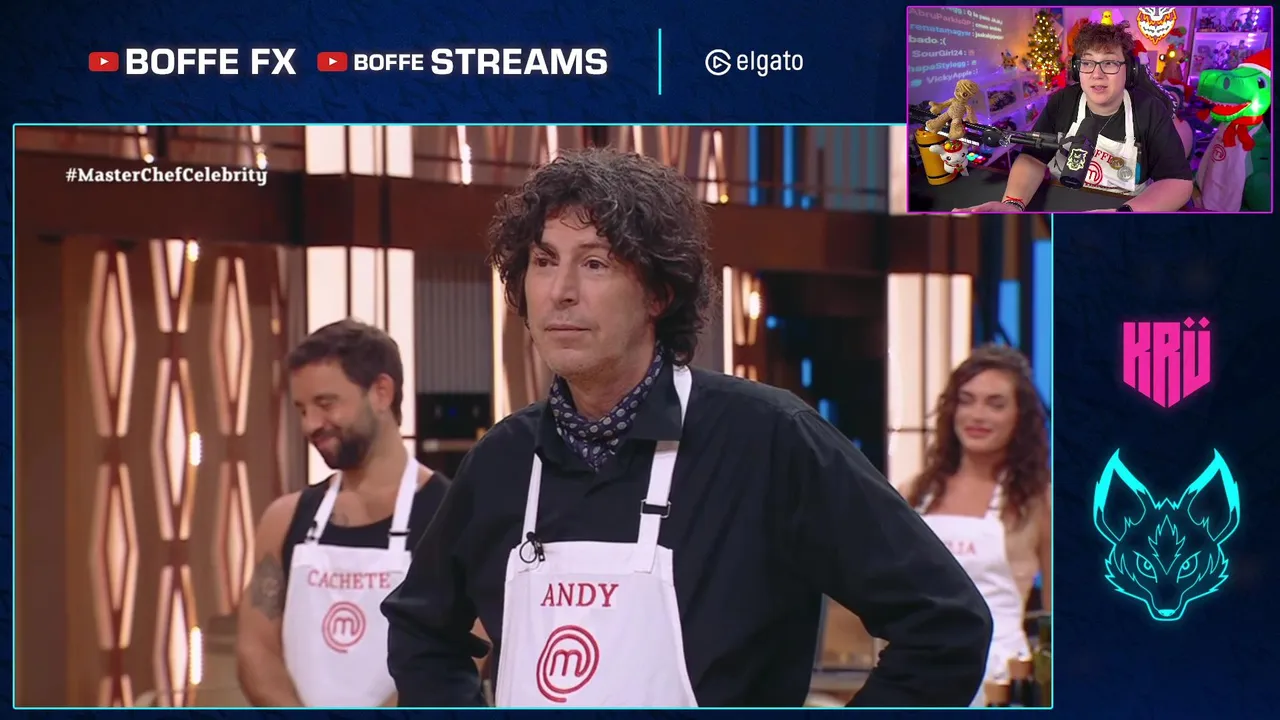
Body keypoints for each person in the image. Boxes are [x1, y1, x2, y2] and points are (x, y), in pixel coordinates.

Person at [381, 147, 993, 708]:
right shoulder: (504, 459)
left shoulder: (768, 439)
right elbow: (421, 630)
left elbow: (945, 627)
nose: (560, 292)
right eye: (543, 261)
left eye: (594, 263)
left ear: (659, 294)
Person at [235, 319, 450, 707]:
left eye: (325, 404)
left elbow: (457, 656)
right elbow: (255, 651)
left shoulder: (451, 516)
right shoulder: (284, 519)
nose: (310, 425)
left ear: (381, 392)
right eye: (302, 409)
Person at [899, 346, 1051, 707]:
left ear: (1020, 417)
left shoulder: (1039, 501)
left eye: (995, 404)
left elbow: (1056, 613)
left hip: (1000, 681)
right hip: (916, 673)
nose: (977, 415)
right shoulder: (912, 493)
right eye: (966, 401)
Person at [961, 22, 1192, 212]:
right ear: (1076, 69)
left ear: (1129, 70)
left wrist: (1123, 214)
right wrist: (1013, 204)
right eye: (1087, 63)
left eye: (1109, 63)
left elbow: (1177, 182)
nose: (1097, 74)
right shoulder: (1062, 102)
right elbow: (1033, 158)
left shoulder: (1149, 109)